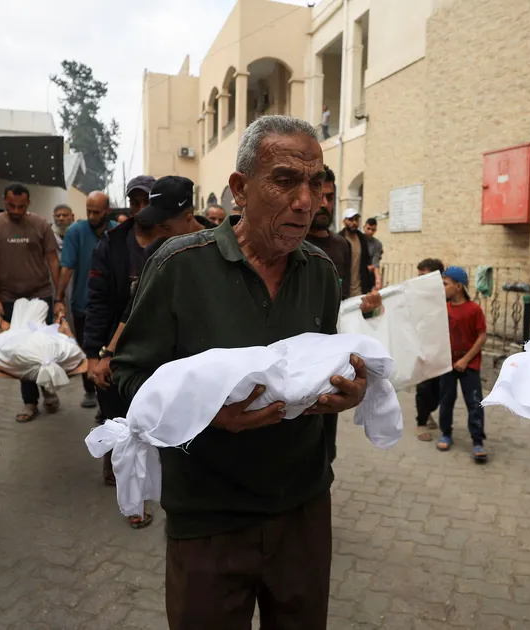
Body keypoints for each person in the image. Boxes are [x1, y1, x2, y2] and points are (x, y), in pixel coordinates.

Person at [112, 115, 366, 628]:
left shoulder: (320, 272)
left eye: (316, 183)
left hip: (302, 509)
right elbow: (129, 378)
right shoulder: (180, 265)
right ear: (240, 189)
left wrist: (351, 390)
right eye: (285, 180)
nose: (306, 201)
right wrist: (209, 415)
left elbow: (324, 365)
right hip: (209, 517)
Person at [84, 176, 206, 527]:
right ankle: (141, 496)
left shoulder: (217, 245)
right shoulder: (157, 251)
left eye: (165, 226)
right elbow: (133, 309)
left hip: (201, 361)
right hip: (159, 358)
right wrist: (106, 353)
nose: (158, 233)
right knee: (145, 423)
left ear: (189, 216)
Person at [0, 182, 62, 422]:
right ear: (4, 201)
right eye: (11, 205)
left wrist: (59, 298)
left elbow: (53, 260)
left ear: (29, 203)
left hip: (40, 295)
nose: (16, 210)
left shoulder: (41, 225)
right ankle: (29, 402)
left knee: (43, 347)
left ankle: (48, 388)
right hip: (10, 298)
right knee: (22, 352)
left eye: (21, 206)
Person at [56, 192, 116, 410]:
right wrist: (58, 297)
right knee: (87, 347)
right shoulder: (75, 232)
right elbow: (67, 267)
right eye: (89, 211)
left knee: (111, 351)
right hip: (83, 302)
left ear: (107, 211)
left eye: (96, 212)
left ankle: (108, 394)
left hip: (111, 304)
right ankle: (90, 389)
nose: (91, 216)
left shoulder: (117, 231)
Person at [433, 267, 488, 461]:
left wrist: (466, 359)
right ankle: (445, 433)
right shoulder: (443, 309)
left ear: (458, 286)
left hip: (469, 364)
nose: (442, 288)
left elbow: (482, 336)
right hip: (447, 364)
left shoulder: (474, 310)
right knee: (446, 399)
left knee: (474, 401)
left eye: (445, 284)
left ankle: (478, 440)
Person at [304, 165, 353, 295]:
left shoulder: (342, 244)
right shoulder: (292, 243)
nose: (325, 204)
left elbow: (344, 294)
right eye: (319, 197)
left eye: (330, 198)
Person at [413, 258, 445, 440]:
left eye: (423, 276)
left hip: (440, 348)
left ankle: (428, 411)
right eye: (418, 275)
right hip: (422, 347)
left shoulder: (444, 296)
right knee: (424, 387)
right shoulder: (416, 296)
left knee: (440, 389)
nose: (419, 280)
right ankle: (421, 423)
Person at [341, 208, 376, 297]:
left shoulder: (362, 239)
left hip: (360, 291)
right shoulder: (339, 240)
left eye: (356, 220)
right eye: (350, 219)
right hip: (344, 292)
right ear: (344, 221)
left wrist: (371, 284)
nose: (354, 223)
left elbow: (367, 264)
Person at [363, 216, 383, 289]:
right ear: (364, 227)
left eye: (373, 229)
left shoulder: (377, 244)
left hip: (370, 276)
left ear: (375, 230)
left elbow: (375, 262)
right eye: (368, 228)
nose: (370, 231)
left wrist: (378, 280)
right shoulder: (358, 240)